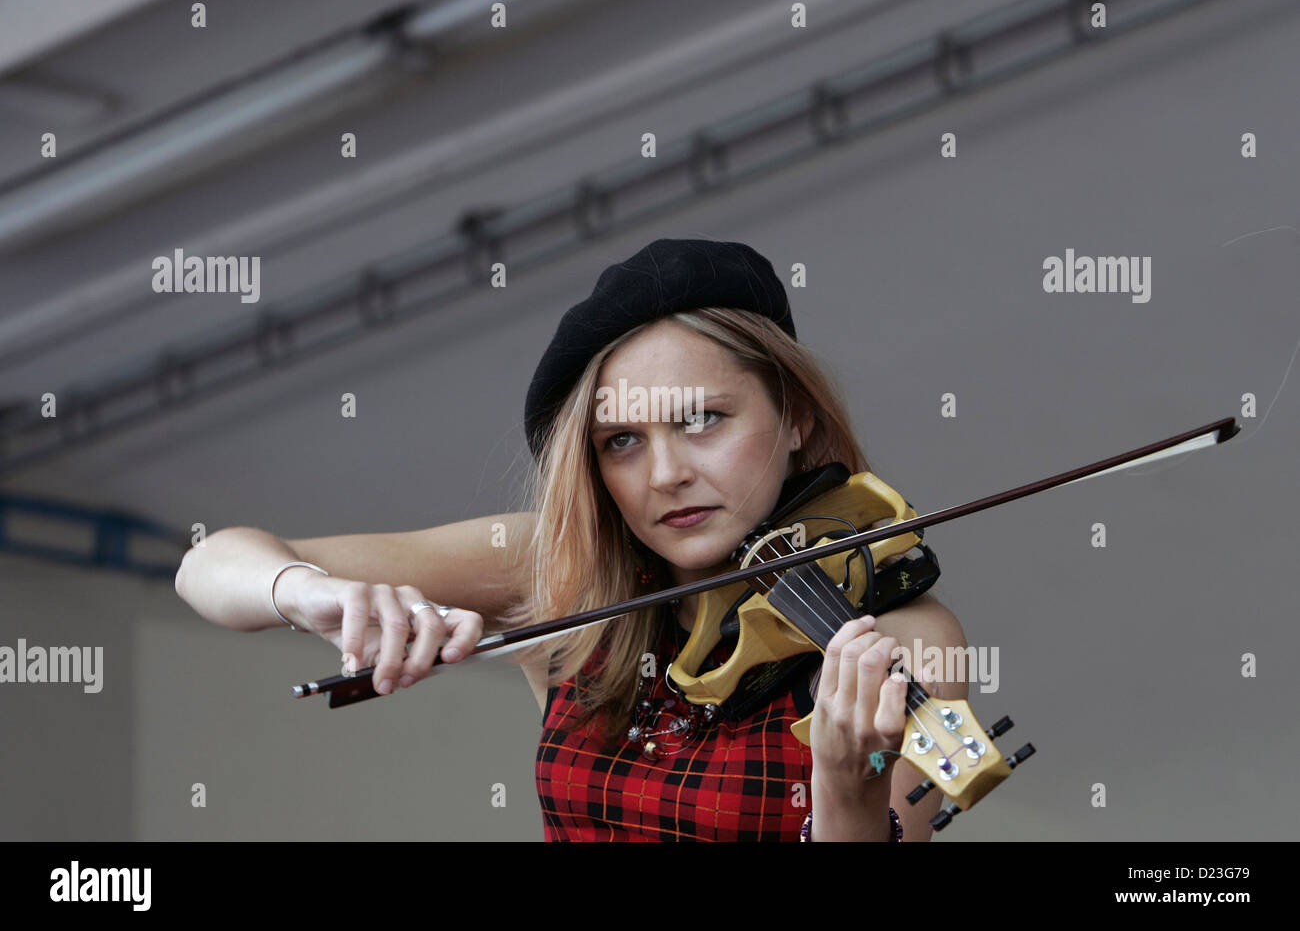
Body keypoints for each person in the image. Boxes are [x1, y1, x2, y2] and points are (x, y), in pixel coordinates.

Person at [175, 238, 968, 841]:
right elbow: (207, 566)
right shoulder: (563, 573)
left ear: (795, 415)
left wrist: (845, 785)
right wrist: (313, 594)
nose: (664, 475)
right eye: (621, 441)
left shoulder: (897, 635)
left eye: (702, 421)